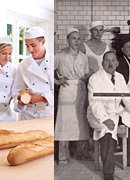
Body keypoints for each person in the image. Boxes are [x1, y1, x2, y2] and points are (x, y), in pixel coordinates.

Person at [87, 51, 130, 180]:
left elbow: (127, 98)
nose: (110, 63)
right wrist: (105, 119)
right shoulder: (94, 78)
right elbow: (94, 103)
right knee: (107, 132)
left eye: (113, 60)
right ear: (102, 63)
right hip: (97, 115)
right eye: (107, 60)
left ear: (117, 63)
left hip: (116, 112)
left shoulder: (119, 77)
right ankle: (108, 174)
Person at [55, 28, 92, 166]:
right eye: (74, 38)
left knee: (81, 122)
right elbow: (45, 71)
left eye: (78, 38)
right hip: (66, 90)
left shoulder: (83, 57)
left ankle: (82, 153)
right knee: (64, 123)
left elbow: (86, 75)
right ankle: (63, 156)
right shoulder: (60, 56)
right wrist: (57, 81)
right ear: (68, 40)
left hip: (81, 90)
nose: (77, 41)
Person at [12, 26, 54, 119]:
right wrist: (19, 99)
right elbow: (17, 90)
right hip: (28, 115)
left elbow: (61, 90)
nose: (30, 50)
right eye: (27, 46)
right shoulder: (23, 65)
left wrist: (41, 98)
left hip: (49, 114)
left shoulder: (55, 61)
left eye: (33, 45)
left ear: (43, 42)